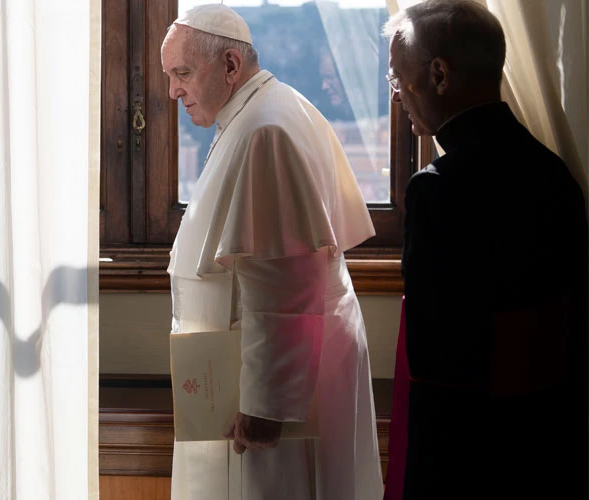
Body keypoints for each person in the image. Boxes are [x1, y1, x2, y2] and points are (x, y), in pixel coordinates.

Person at [162, 5, 383, 499]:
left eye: (182, 73)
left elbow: (285, 279)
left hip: (275, 386)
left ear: (230, 66)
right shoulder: (269, 108)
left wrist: (266, 407)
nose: (173, 90)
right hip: (271, 366)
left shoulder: (265, 127)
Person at [384, 1, 589, 498]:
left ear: (438, 74)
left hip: (465, 450)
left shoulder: (437, 190)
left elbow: (433, 360)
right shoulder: (554, 173)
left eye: (398, 78)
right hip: (551, 435)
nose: (397, 96)